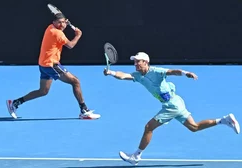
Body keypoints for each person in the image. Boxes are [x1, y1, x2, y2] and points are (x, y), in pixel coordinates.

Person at [103, 52, 240, 165]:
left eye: (138, 61)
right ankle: (224, 120)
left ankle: (136, 156)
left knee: (148, 127)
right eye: (135, 61)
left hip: (172, 105)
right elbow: (123, 76)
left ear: (146, 62)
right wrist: (111, 73)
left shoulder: (156, 71)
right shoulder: (138, 76)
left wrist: (186, 73)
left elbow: (172, 71)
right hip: (176, 103)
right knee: (194, 127)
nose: (135, 64)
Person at [6, 13, 100, 120]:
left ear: (66, 22)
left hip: (43, 64)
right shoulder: (57, 33)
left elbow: (62, 29)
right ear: (53, 22)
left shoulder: (49, 28)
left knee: (43, 91)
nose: (61, 25)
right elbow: (70, 45)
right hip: (51, 64)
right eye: (58, 22)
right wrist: (78, 35)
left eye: (63, 22)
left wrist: (65, 24)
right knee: (75, 82)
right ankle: (84, 110)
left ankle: (14, 103)